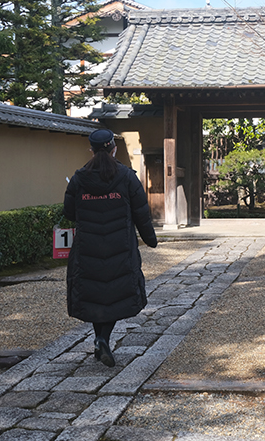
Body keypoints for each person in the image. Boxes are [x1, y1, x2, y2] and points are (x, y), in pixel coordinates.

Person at [63, 129, 157, 367]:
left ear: (91, 150)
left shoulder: (78, 179)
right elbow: (141, 212)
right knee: (114, 294)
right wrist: (150, 239)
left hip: (88, 247)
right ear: (113, 149)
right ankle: (103, 338)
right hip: (120, 246)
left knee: (96, 294)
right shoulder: (127, 177)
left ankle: (99, 339)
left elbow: (70, 214)